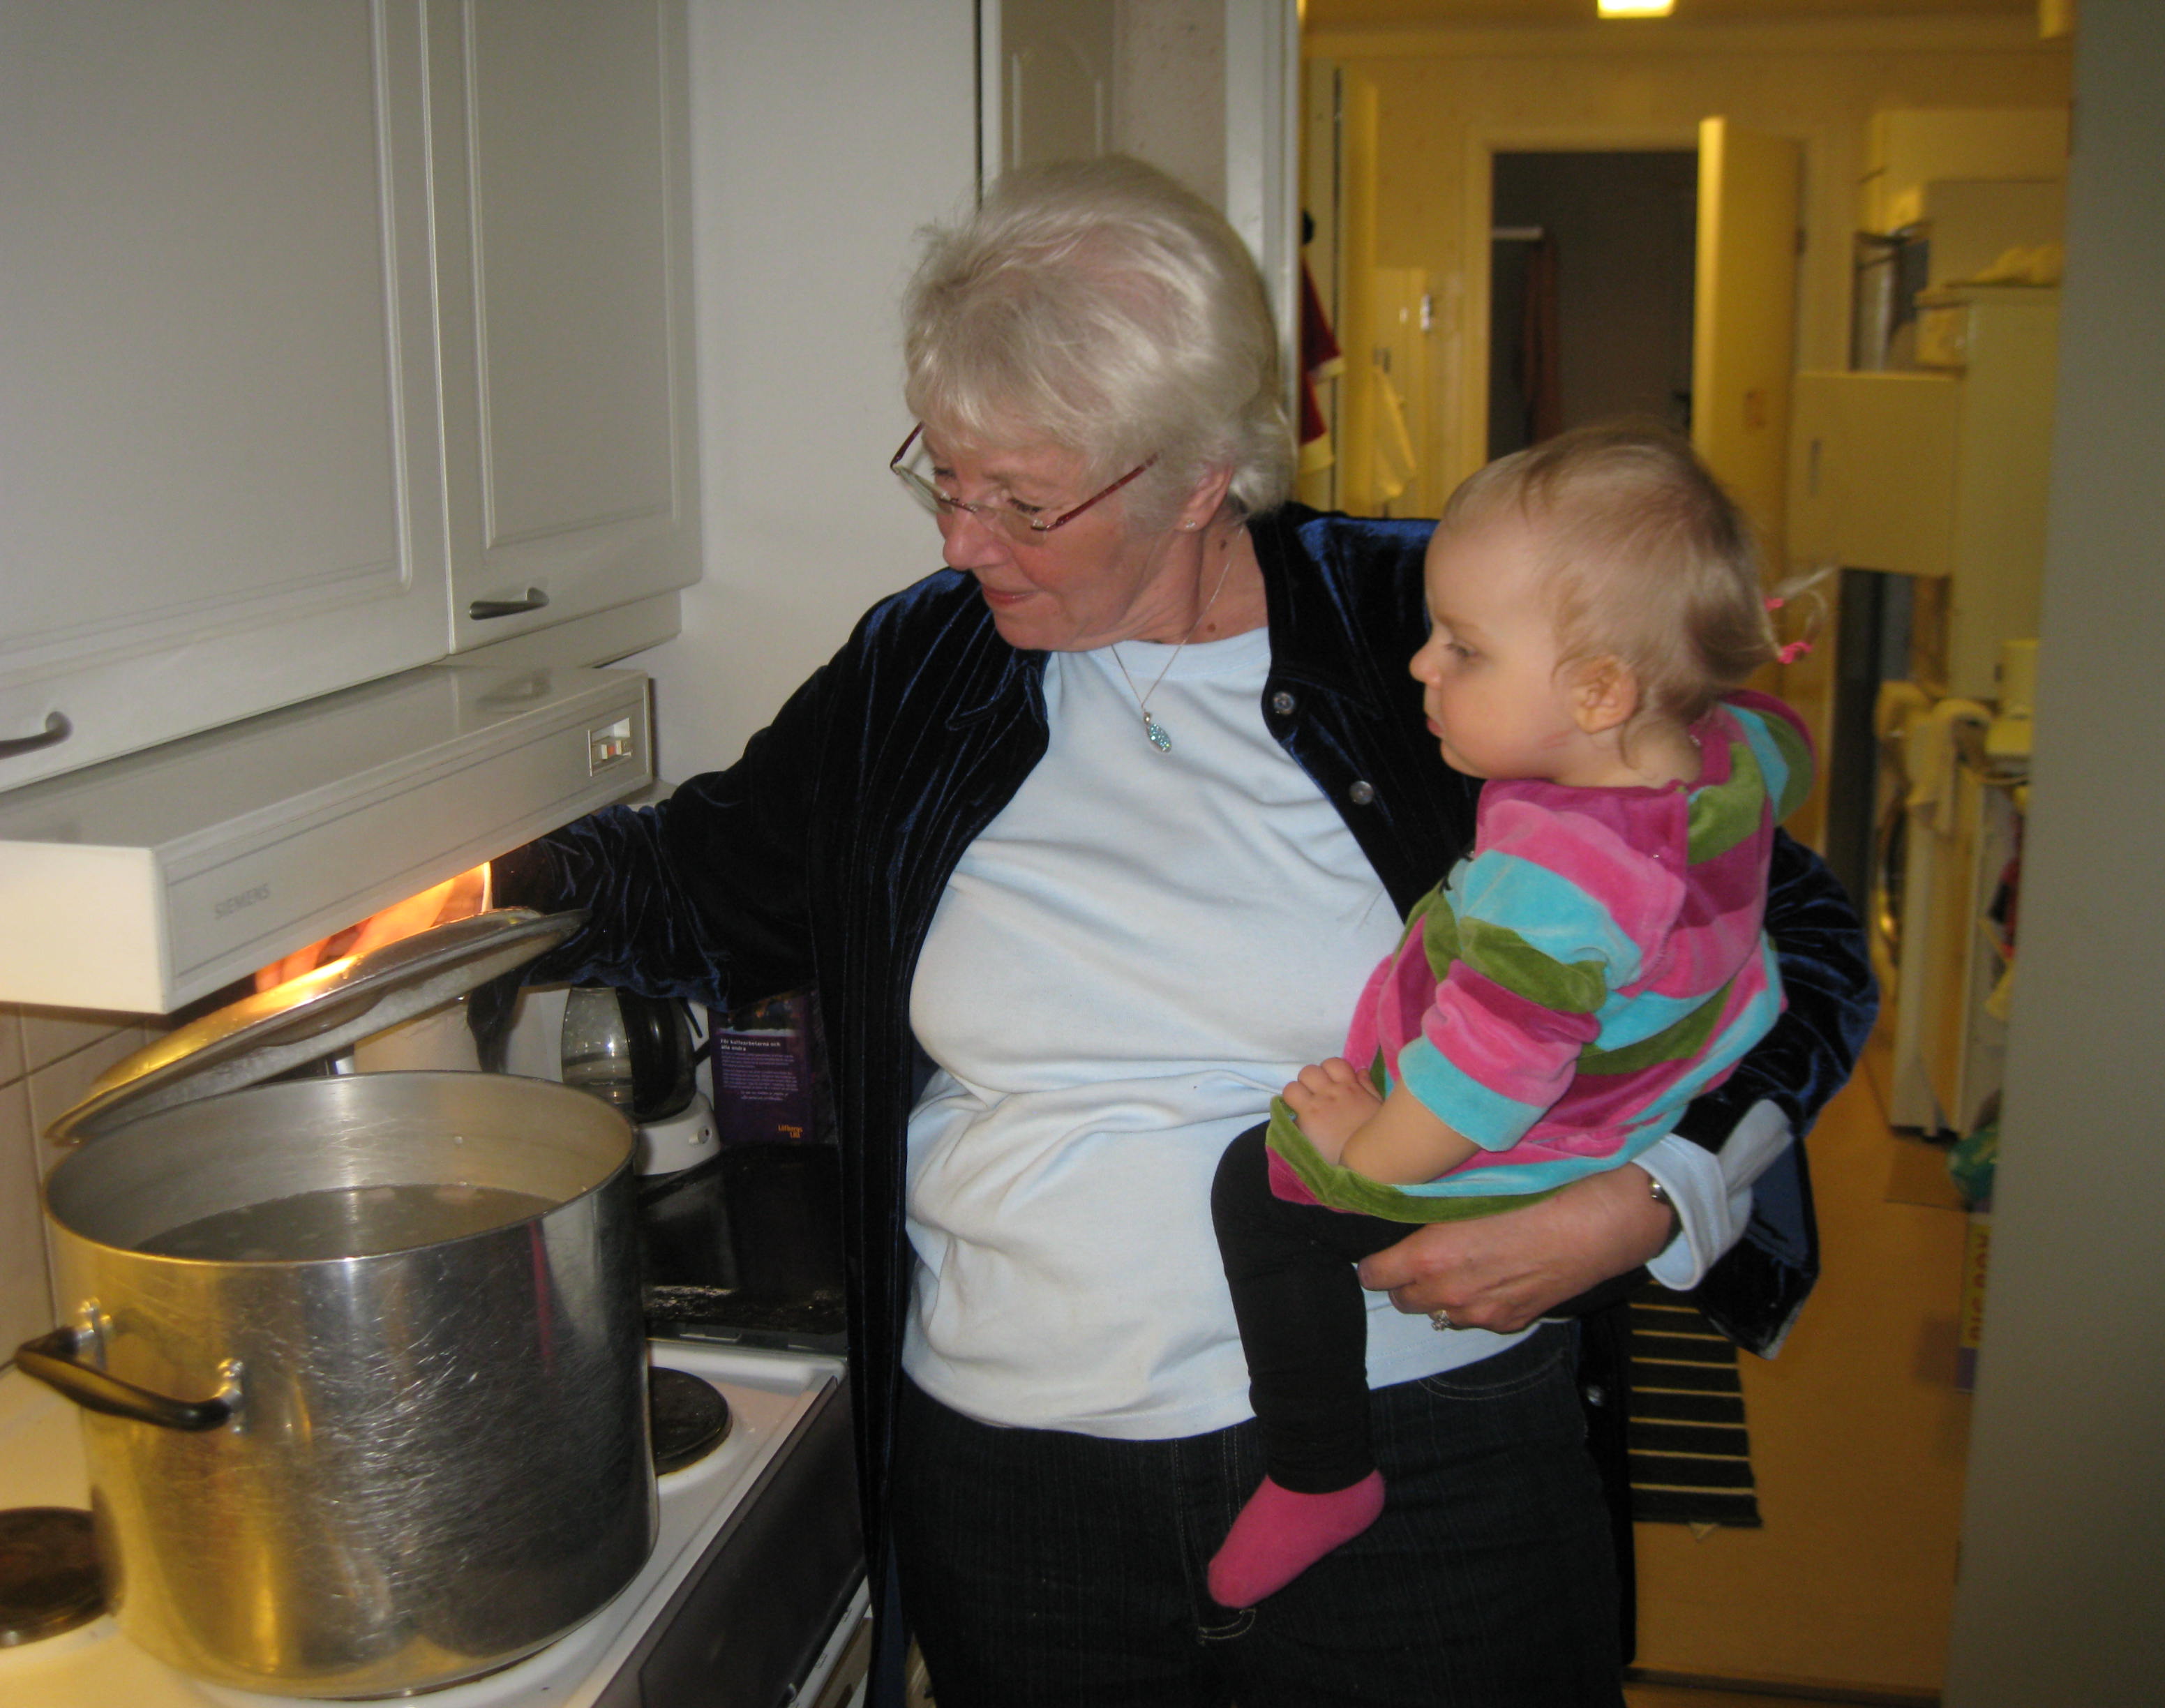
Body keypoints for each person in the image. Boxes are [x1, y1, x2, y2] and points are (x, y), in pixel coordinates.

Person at [263, 157, 1874, 1707]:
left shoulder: (1439, 635)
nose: (963, 542)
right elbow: (695, 879)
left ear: (1200, 476)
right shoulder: (923, 670)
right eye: (945, 478)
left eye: (1024, 503)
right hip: (1020, 1488)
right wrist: (452, 895)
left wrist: (1645, 1203)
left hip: (1423, 1452)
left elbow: (1790, 935)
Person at [1204, 426, 1813, 1610]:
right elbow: (1789, 750)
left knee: (1257, 1192)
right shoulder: (1730, 747)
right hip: (1652, 1092)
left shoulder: (1558, 881)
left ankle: (1320, 1472)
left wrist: (1360, 1148)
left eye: (1464, 649)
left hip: (1520, 1158)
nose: (1421, 664)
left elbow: (1484, 1078)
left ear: (1599, 692)